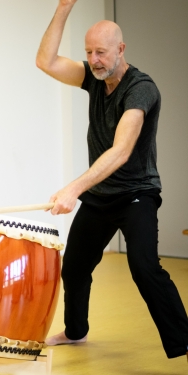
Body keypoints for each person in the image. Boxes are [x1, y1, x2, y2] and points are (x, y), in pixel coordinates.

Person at [36, 0, 188, 360]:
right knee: (73, 268)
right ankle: (76, 332)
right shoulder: (94, 78)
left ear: (121, 49)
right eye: (89, 52)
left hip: (137, 193)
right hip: (101, 196)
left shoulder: (142, 88)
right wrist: (63, 7)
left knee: (144, 267)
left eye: (101, 52)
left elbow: (121, 151)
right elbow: (46, 62)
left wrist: (73, 188)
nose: (94, 60)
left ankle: (183, 340)